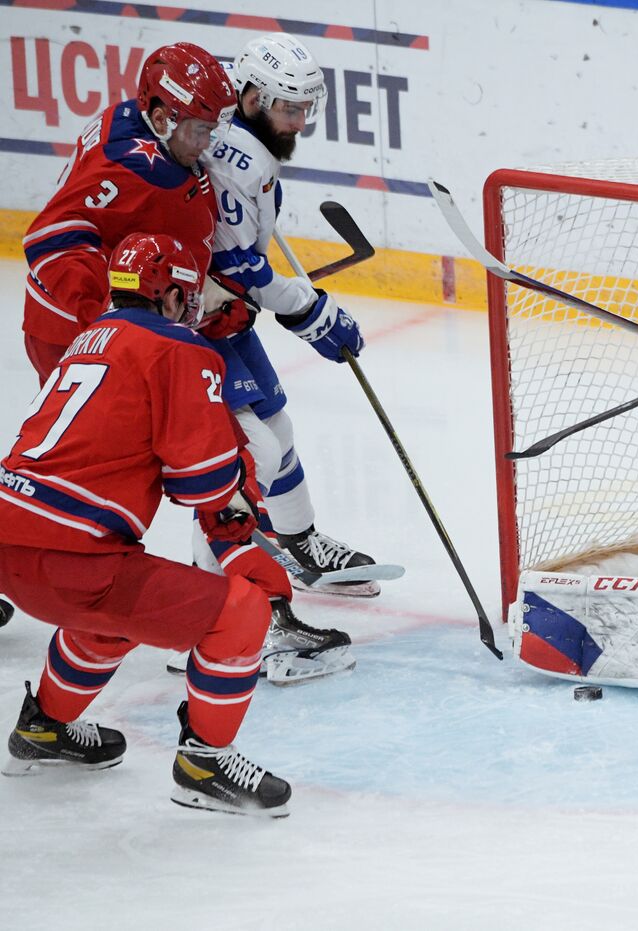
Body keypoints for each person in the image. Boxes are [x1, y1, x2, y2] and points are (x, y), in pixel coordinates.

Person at [0, 233, 291, 816]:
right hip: (75, 560)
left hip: (13, 545)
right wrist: (238, 519)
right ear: (175, 294)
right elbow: (200, 485)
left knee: (116, 618)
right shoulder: (182, 351)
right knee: (240, 612)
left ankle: (44, 729)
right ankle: (203, 764)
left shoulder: (90, 338)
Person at [197, 33, 376, 598]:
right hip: (193, 320)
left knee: (277, 428)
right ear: (252, 98)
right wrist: (309, 310)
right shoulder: (239, 161)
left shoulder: (233, 126)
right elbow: (239, 269)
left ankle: (300, 543)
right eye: (289, 108)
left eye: (306, 108)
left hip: (220, 310)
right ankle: (213, 604)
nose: (300, 121)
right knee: (245, 460)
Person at [20, 43, 234, 384]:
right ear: (163, 118)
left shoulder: (135, 117)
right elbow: (51, 238)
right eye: (200, 131)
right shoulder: (133, 169)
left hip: (105, 325)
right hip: (71, 332)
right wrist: (103, 317)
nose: (206, 144)